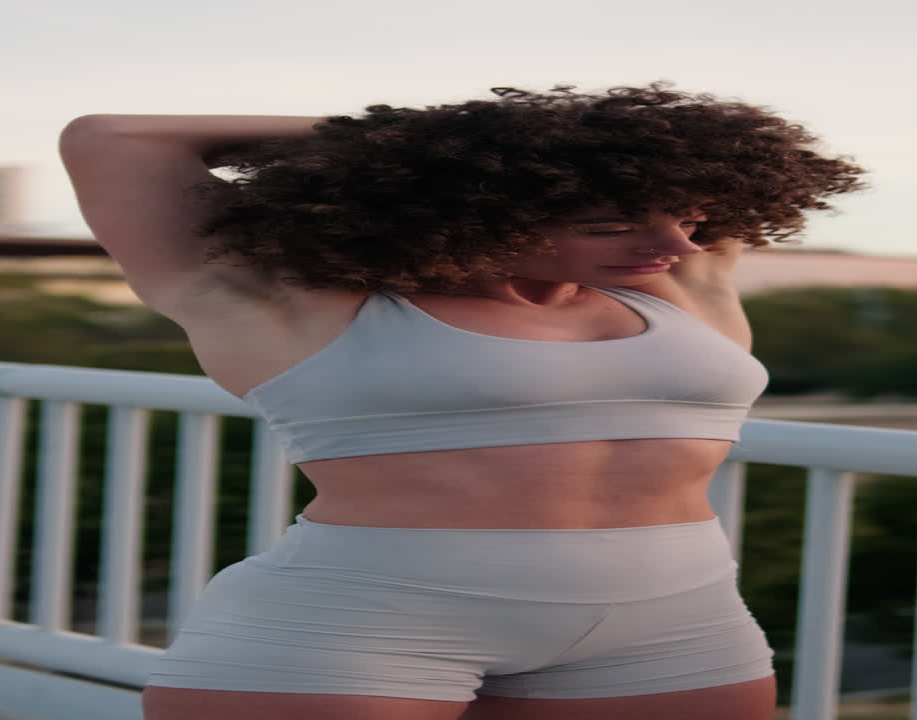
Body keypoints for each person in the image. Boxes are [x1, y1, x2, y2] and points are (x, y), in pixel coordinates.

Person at [60, 82, 864, 720]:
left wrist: (589, 162)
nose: (676, 242)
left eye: (686, 217)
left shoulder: (680, 284)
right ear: (476, 206)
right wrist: (436, 147)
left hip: (673, 621)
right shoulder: (292, 303)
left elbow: (696, 173)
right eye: (609, 220)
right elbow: (112, 141)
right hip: (365, 626)